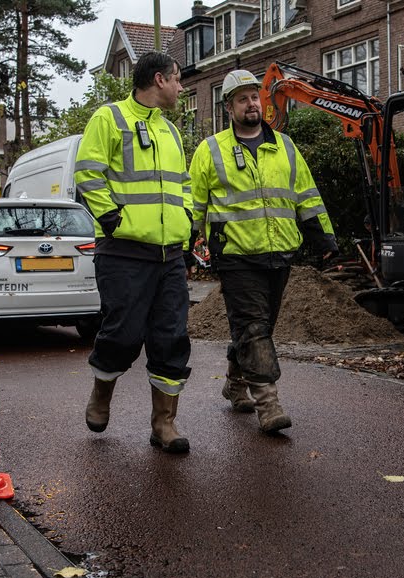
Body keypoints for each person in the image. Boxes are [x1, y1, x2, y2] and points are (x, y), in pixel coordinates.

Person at [189, 69, 338, 433]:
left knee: (259, 326)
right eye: (242, 99)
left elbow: (307, 196)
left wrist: (326, 240)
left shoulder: (285, 146)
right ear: (229, 107)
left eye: (255, 96)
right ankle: (268, 404)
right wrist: (186, 247)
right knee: (254, 327)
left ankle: (235, 383)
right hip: (236, 256)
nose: (251, 103)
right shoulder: (210, 150)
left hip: (281, 252)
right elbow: (193, 206)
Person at [76, 52, 193, 453]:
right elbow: (87, 172)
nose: (181, 87)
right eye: (178, 79)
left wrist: (187, 219)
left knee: (172, 338)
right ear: (159, 79)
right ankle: (101, 393)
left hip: (170, 255)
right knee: (122, 336)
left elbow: (184, 183)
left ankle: (164, 423)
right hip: (123, 252)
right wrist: (111, 217)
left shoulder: (171, 132)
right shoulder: (109, 118)